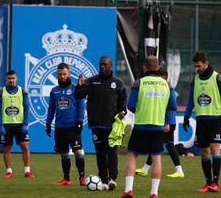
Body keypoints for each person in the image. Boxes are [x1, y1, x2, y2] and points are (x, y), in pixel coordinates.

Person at [121, 56, 173, 198]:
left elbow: (130, 106)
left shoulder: (139, 83)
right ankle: (154, 193)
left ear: (144, 67)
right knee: (156, 158)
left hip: (141, 126)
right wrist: (167, 122)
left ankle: (128, 190)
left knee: (132, 155)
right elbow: (172, 106)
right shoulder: (166, 84)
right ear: (157, 68)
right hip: (158, 126)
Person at [75, 55, 127, 191]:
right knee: (100, 154)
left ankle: (112, 179)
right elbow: (79, 95)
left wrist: (123, 112)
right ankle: (103, 180)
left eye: (105, 65)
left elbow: (123, 102)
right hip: (96, 124)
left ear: (111, 65)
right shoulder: (91, 81)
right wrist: (79, 86)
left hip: (112, 125)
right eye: (100, 65)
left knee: (111, 152)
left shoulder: (119, 83)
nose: (102, 67)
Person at [183, 52, 221, 193]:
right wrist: (186, 116)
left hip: (215, 119)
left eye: (199, 66)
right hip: (201, 120)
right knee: (204, 152)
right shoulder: (195, 79)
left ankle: (215, 183)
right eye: (195, 66)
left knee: (215, 149)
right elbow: (191, 99)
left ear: (206, 63)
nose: (197, 68)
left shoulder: (218, 78)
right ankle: (208, 183)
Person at [135, 67, 184, 178]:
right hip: (165, 122)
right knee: (156, 146)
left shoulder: (166, 87)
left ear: (164, 77)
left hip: (167, 123)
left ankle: (179, 170)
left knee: (169, 146)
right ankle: (145, 169)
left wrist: (167, 123)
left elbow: (171, 107)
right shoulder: (164, 87)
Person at [45, 63, 86, 186]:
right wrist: (48, 123)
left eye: (64, 74)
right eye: (60, 74)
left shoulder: (75, 89)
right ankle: (66, 179)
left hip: (72, 127)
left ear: (68, 74)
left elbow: (81, 106)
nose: (62, 76)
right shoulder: (54, 91)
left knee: (78, 152)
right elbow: (51, 108)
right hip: (59, 127)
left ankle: (82, 177)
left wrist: (79, 121)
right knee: (63, 153)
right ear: (57, 74)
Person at [0, 70, 34, 179]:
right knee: (7, 148)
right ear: (6, 79)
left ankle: (27, 171)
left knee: (25, 146)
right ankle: (9, 171)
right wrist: (0, 126)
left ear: (16, 78)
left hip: (20, 124)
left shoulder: (23, 92)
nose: (11, 80)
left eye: (13, 78)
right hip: (6, 125)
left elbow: (27, 108)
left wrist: (25, 124)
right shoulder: (1, 93)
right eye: (9, 78)